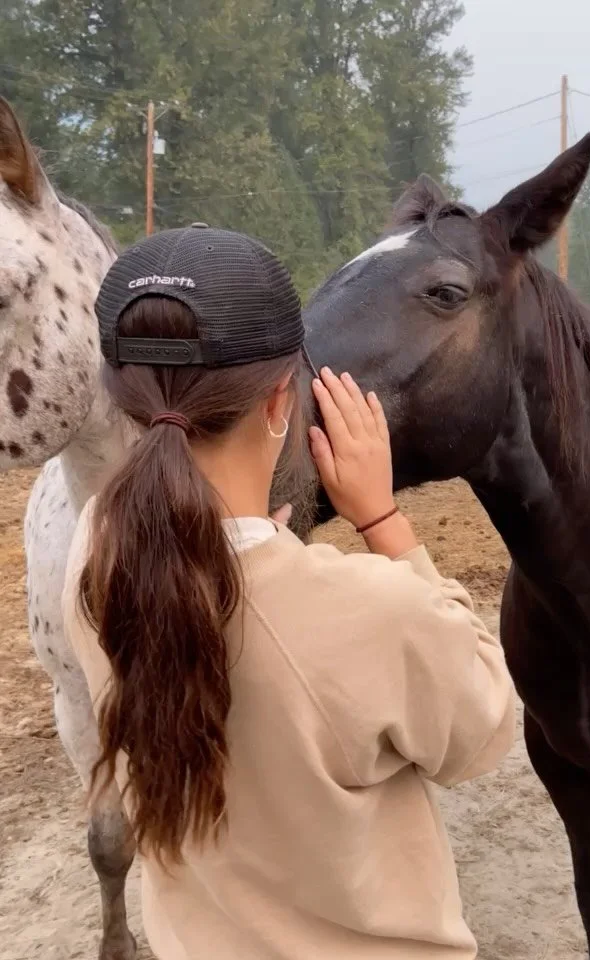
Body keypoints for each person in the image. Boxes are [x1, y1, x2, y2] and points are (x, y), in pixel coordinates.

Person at [62, 224, 516, 960]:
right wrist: (382, 518)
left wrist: (259, 546)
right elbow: (482, 730)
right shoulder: (373, 610)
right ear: (282, 403)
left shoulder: (95, 550)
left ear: (122, 394)